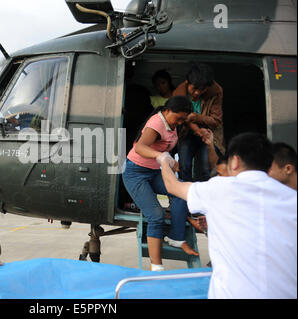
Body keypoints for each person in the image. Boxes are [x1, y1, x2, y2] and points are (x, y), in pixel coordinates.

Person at [158, 132, 297, 298]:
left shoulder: (218, 189)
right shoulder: (292, 198)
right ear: (268, 165)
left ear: (235, 161)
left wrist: (164, 162)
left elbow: (173, 186)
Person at [122, 95, 198, 272]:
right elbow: (140, 147)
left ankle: (176, 238)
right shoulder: (156, 123)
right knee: (156, 216)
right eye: (178, 118)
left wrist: (172, 161)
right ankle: (156, 267)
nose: (179, 122)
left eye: (182, 119)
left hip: (155, 171)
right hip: (136, 173)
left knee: (182, 192)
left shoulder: (173, 123)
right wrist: (159, 156)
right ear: (168, 110)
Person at [173, 63, 224, 182]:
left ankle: (205, 198)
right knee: (184, 166)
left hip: (209, 135)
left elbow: (216, 120)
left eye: (202, 89)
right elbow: (181, 118)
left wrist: (197, 118)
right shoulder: (179, 93)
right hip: (187, 133)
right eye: (194, 88)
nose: (197, 93)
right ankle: (185, 198)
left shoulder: (216, 92)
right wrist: (197, 129)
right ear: (187, 83)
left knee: (207, 169)